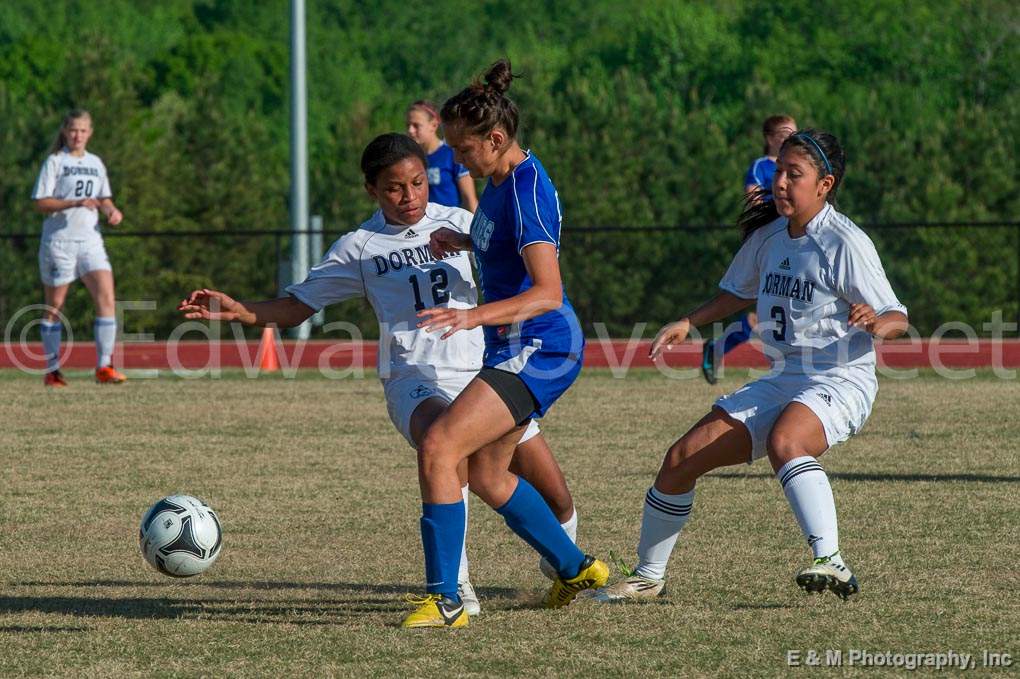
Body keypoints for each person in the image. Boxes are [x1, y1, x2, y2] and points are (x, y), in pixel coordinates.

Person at [177, 133, 578, 618]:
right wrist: (243, 311)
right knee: (443, 450)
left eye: (416, 183)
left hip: (486, 372)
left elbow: (521, 272)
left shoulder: (461, 221)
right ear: (371, 190)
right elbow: (295, 307)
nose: (408, 196)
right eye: (393, 188)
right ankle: (455, 589)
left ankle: (569, 568)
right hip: (414, 378)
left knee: (556, 497)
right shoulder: (359, 247)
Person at [594, 129, 907, 603]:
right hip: (784, 378)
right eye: (779, 170)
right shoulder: (770, 236)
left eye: (794, 174)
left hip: (840, 378)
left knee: (787, 440)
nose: (780, 182)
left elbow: (898, 318)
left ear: (825, 185)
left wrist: (877, 322)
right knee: (679, 461)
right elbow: (737, 293)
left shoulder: (845, 242)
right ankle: (647, 577)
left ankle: (830, 559)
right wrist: (687, 322)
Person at [401, 59, 608, 629]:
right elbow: (504, 247)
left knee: (441, 445)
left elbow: (547, 291)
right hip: (515, 346)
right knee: (490, 475)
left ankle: (445, 601)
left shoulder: (527, 190)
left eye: (462, 150)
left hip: (540, 345)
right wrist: (465, 238)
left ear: (495, 139)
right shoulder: (498, 182)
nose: (455, 159)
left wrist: (473, 317)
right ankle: (574, 567)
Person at [32, 109, 126, 386]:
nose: (78, 135)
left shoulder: (96, 163)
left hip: (90, 241)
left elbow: (103, 197)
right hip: (59, 243)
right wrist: (74, 202)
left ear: (90, 133)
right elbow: (41, 202)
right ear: (65, 131)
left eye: (83, 130)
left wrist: (111, 210)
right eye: (73, 130)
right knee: (56, 305)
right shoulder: (55, 162)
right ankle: (52, 370)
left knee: (107, 298)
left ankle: (104, 366)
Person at [702, 115, 798, 384]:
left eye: (794, 131)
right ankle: (782, 371)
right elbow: (753, 201)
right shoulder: (762, 167)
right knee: (765, 310)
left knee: (768, 312)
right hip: (770, 247)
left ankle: (718, 348)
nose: (790, 137)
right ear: (769, 139)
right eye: (784, 132)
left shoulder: (800, 167)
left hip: (793, 244)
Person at [406, 100, 478, 211]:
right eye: (408, 125)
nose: (410, 130)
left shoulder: (452, 154)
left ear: (434, 125)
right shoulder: (410, 160)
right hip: (422, 227)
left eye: (416, 125)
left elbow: (469, 199)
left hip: (450, 225)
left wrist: (472, 226)